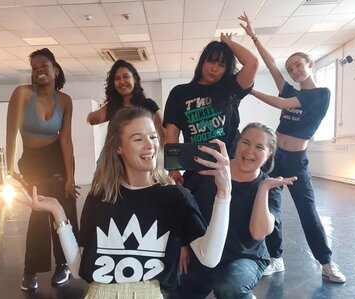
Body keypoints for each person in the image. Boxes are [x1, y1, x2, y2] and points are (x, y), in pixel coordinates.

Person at [16, 107, 232, 299]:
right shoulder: (100, 197)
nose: (150, 145)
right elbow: (78, 268)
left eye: (153, 137)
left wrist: (224, 193)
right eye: (138, 139)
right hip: (99, 293)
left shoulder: (175, 198)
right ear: (118, 147)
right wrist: (58, 211)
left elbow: (209, 258)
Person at [238, 12, 346, 283]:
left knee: (307, 212)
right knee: (271, 208)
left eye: (298, 65)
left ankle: (326, 262)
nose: (295, 71)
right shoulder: (290, 90)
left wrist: (247, 90)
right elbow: (272, 65)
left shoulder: (320, 95)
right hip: (275, 158)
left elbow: (281, 105)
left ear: (309, 64)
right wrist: (253, 36)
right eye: (291, 68)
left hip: (297, 161)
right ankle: (275, 258)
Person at [173, 122, 297, 299]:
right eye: (245, 142)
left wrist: (263, 189)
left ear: (269, 154)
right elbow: (183, 208)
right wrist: (182, 245)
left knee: (230, 287)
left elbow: (258, 233)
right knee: (175, 289)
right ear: (237, 144)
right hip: (203, 252)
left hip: (245, 257)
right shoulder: (207, 172)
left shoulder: (271, 187)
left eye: (259, 147)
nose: (249, 151)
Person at [6, 48, 79, 291]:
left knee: (64, 209)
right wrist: (8, 168)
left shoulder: (65, 100)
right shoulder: (22, 94)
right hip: (33, 160)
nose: (39, 71)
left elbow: (66, 140)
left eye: (44, 66)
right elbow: (10, 134)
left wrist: (70, 178)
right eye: (34, 68)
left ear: (56, 70)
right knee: (38, 211)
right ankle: (30, 270)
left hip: (57, 157)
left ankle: (64, 264)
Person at [163, 33, 258, 186]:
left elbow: (252, 63)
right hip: (196, 167)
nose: (214, 69)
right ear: (202, 62)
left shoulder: (231, 88)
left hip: (229, 166)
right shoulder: (180, 93)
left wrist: (228, 43)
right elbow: (172, 131)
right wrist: (173, 168)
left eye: (221, 65)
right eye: (211, 61)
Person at [87, 59, 165, 145]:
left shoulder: (148, 104)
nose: (122, 82)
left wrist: (158, 155)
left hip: (143, 154)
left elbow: (163, 132)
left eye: (126, 76)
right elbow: (91, 120)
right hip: (115, 155)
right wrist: (94, 115)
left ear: (134, 79)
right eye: (117, 78)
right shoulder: (112, 106)